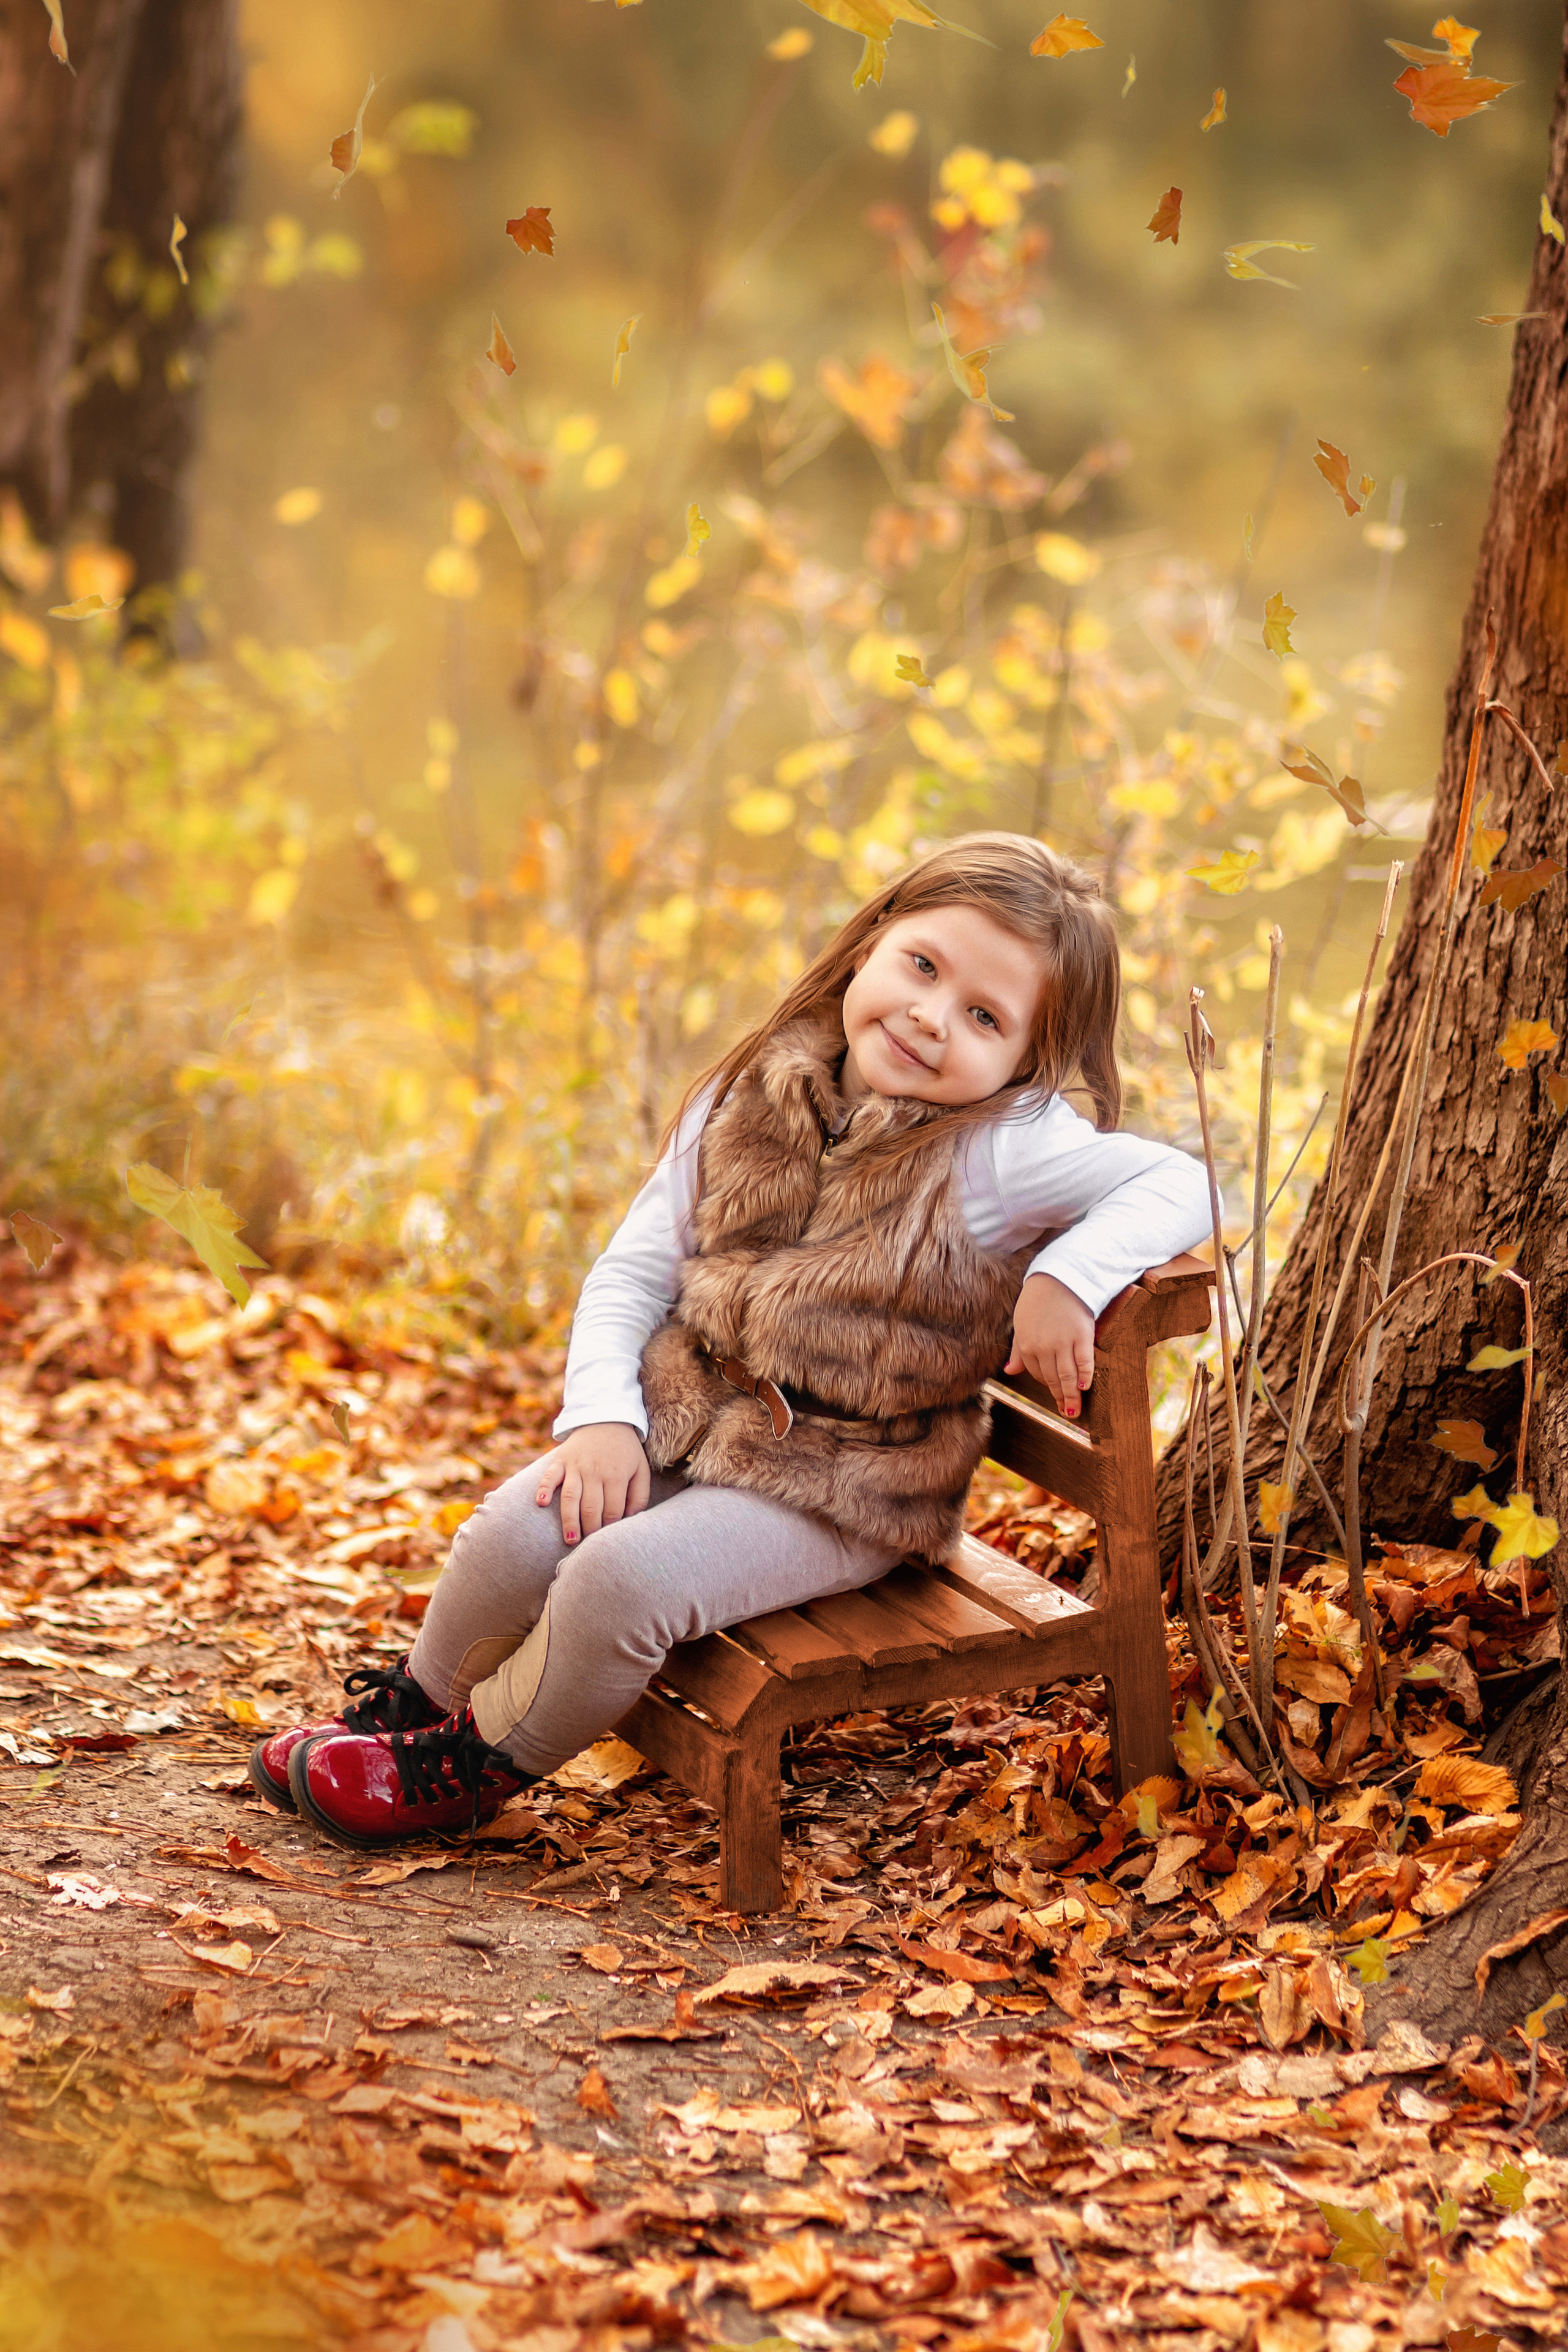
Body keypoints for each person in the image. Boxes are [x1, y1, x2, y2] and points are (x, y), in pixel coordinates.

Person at [255, 833, 1211, 1849]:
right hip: (693, 1417)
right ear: (872, 941)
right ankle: (413, 1712)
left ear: (1027, 1061)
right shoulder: (759, 1087)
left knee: (618, 1583)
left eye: (985, 1017)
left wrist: (1069, 1276)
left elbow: (1187, 1182)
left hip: (850, 1486)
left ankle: (468, 1768)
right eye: (923, 966)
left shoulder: (1006, 1151)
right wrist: (602, 1422)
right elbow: (632, 1271)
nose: (932, 1017)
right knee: (512, 1530)